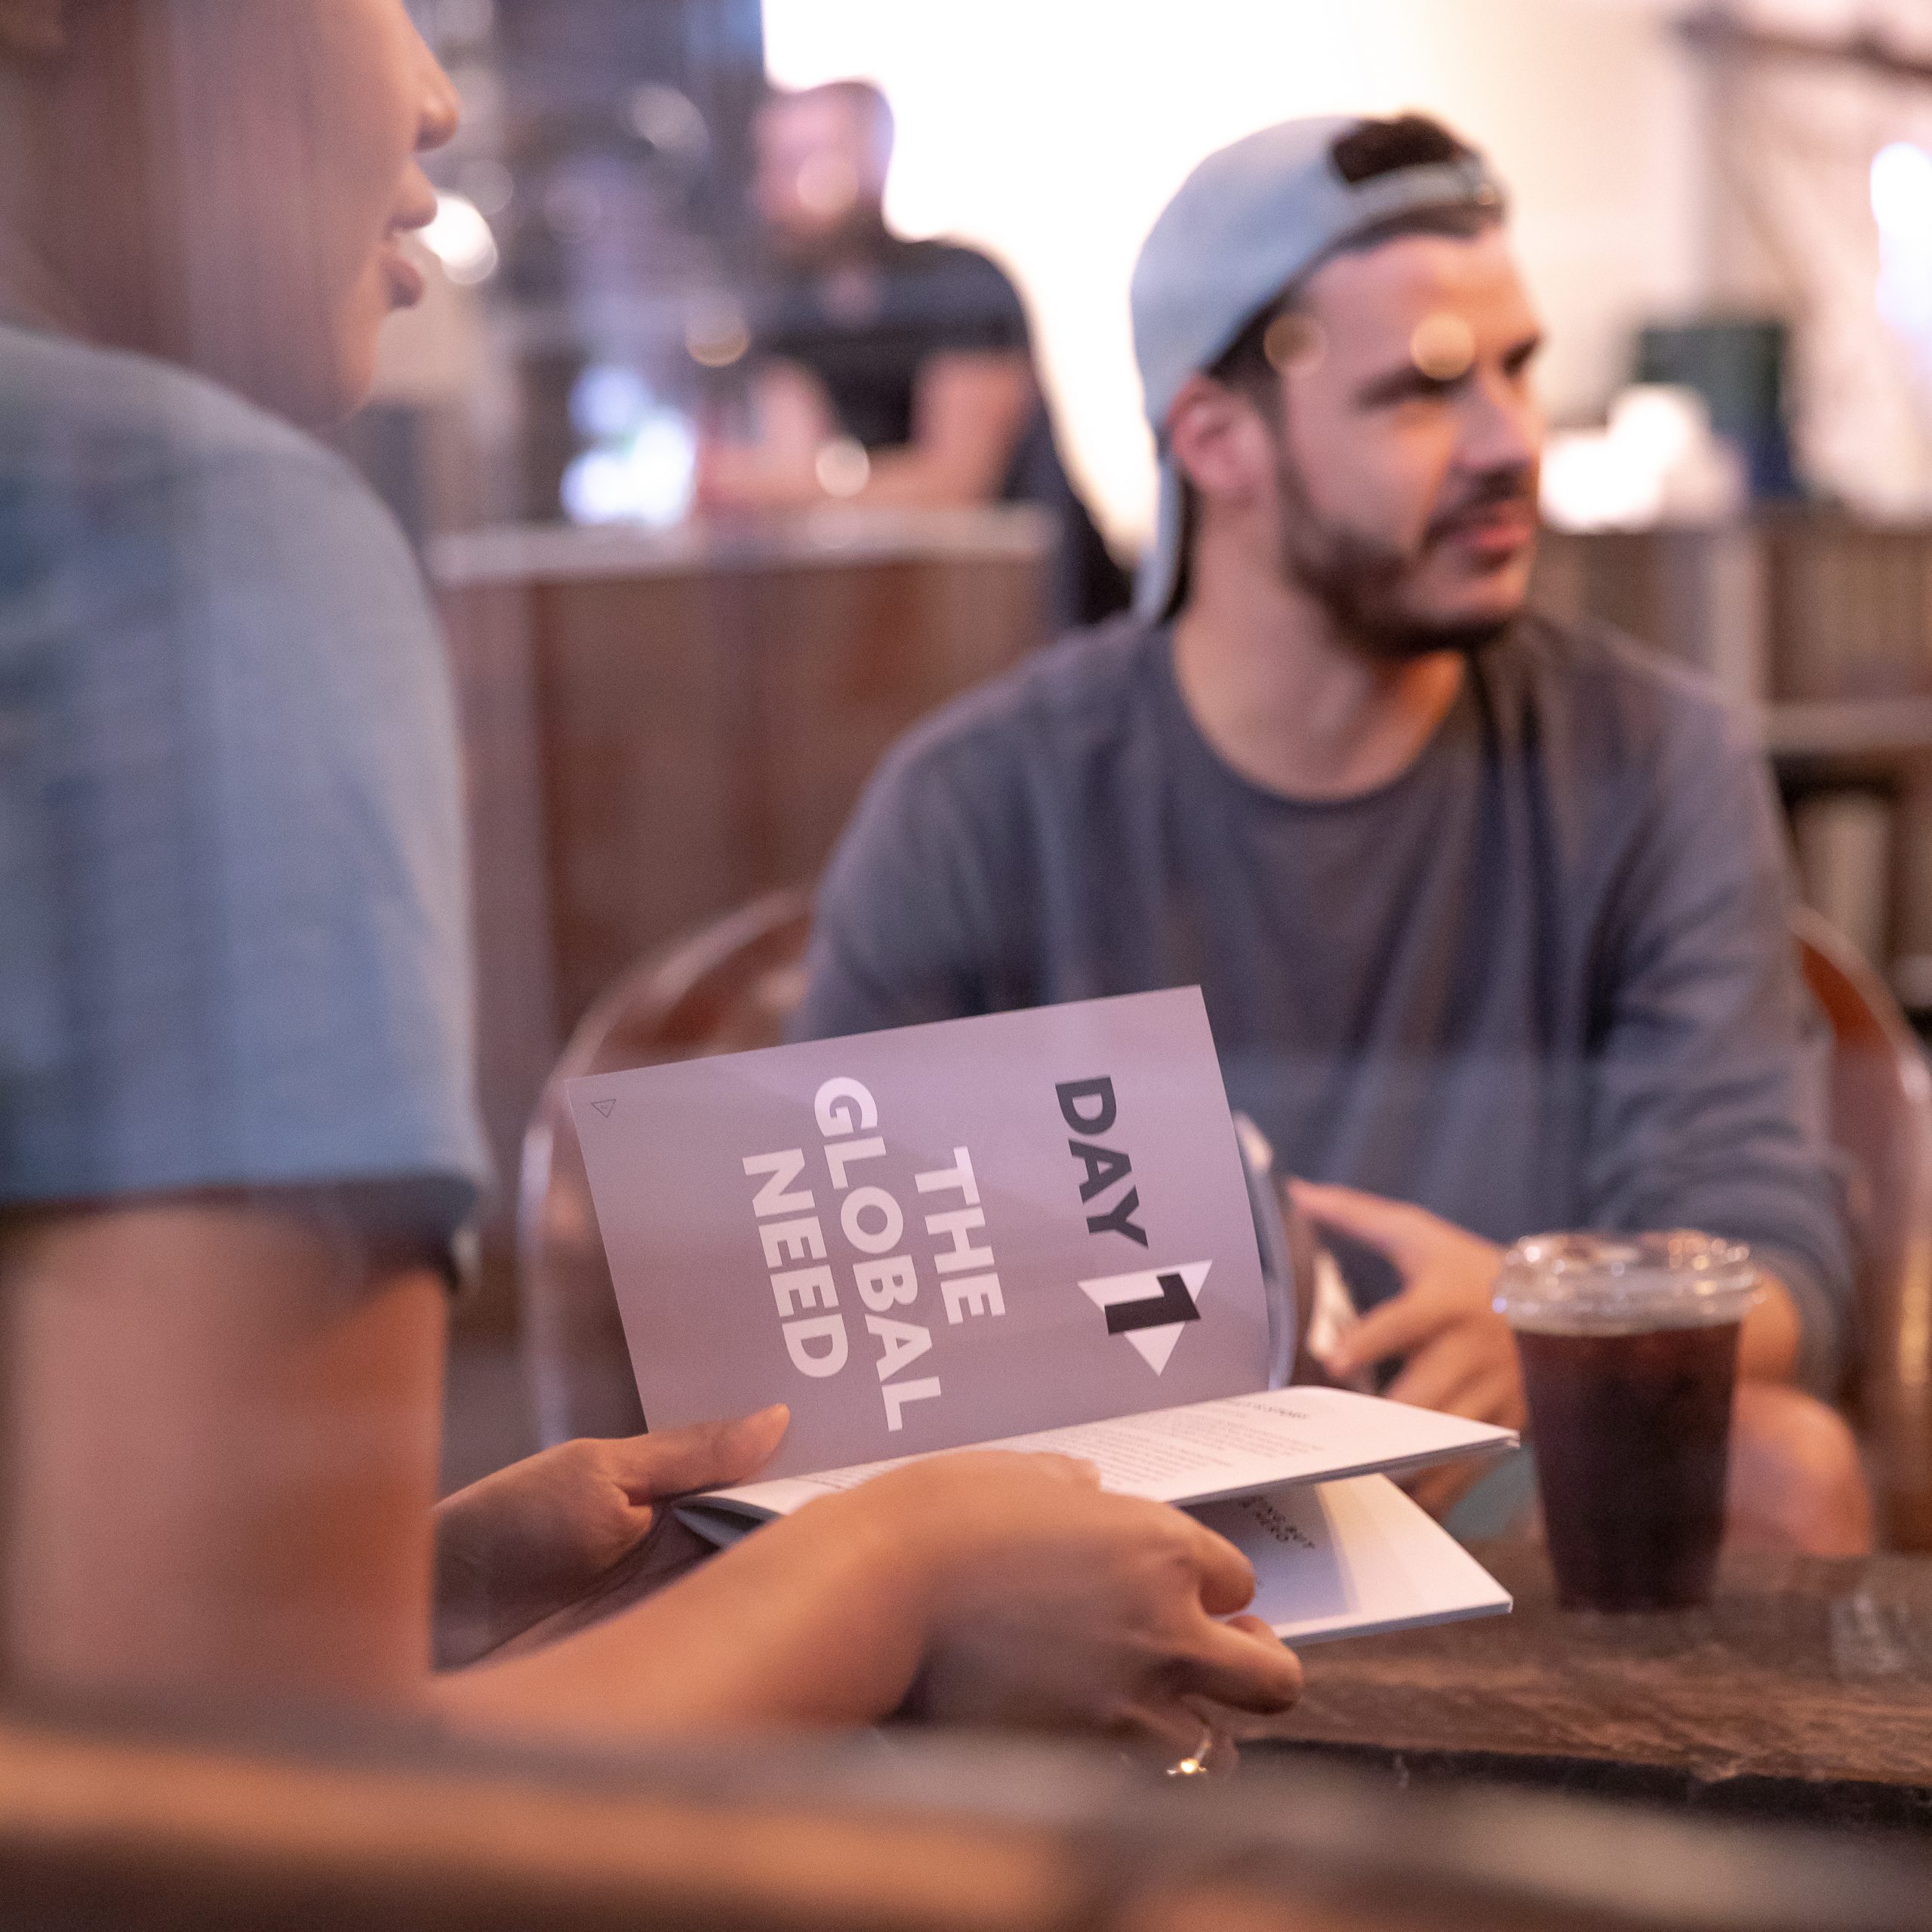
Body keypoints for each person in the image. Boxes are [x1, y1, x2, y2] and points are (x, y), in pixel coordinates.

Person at [0, 0, 1303, 1755]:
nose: (440, 94)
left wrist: (429, 1583)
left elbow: (95, 1688)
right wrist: (891, 1571)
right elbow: (237, 1837)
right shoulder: (192, 548)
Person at [793, 113, 1873, 1555]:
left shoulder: (1655, 759)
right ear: (1217, 440)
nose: (1511, 442)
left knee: (1781, 1469)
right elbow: (828, 1338)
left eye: (1518, 368)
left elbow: (1780, 1256)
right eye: (1424, 390)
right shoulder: (982, 801)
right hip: (1100, 1519)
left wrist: (1552, 1317)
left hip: (1511, 1480)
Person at [697, 78, 1129, 629]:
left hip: (1046, 615)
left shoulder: (958, 284)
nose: (773, 191)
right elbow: (786, 482)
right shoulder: (791, 315)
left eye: (800, 161)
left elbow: (953, 490)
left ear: (867, 159)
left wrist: (775, 485)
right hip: (914, 623)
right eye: (771, 165)